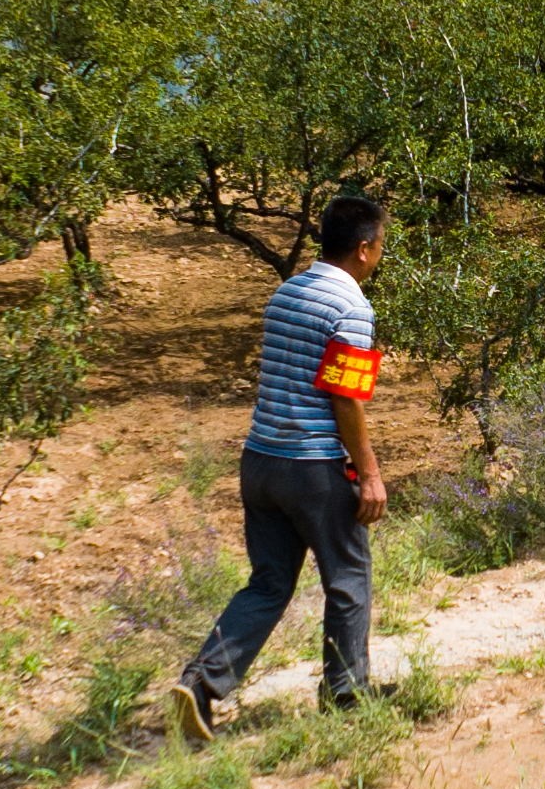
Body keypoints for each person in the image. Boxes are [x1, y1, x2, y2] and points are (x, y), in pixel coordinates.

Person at [160, 191, 389, 740]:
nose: (380, 255)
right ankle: (346, 694)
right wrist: (370, 474)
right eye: (381, 245)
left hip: (260, 461)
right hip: (312, 468)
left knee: (267, 584)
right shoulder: (351, 308)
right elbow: (345, 398)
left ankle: (200, 685)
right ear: (363, 249)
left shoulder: (287, 292)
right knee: (348, 578)